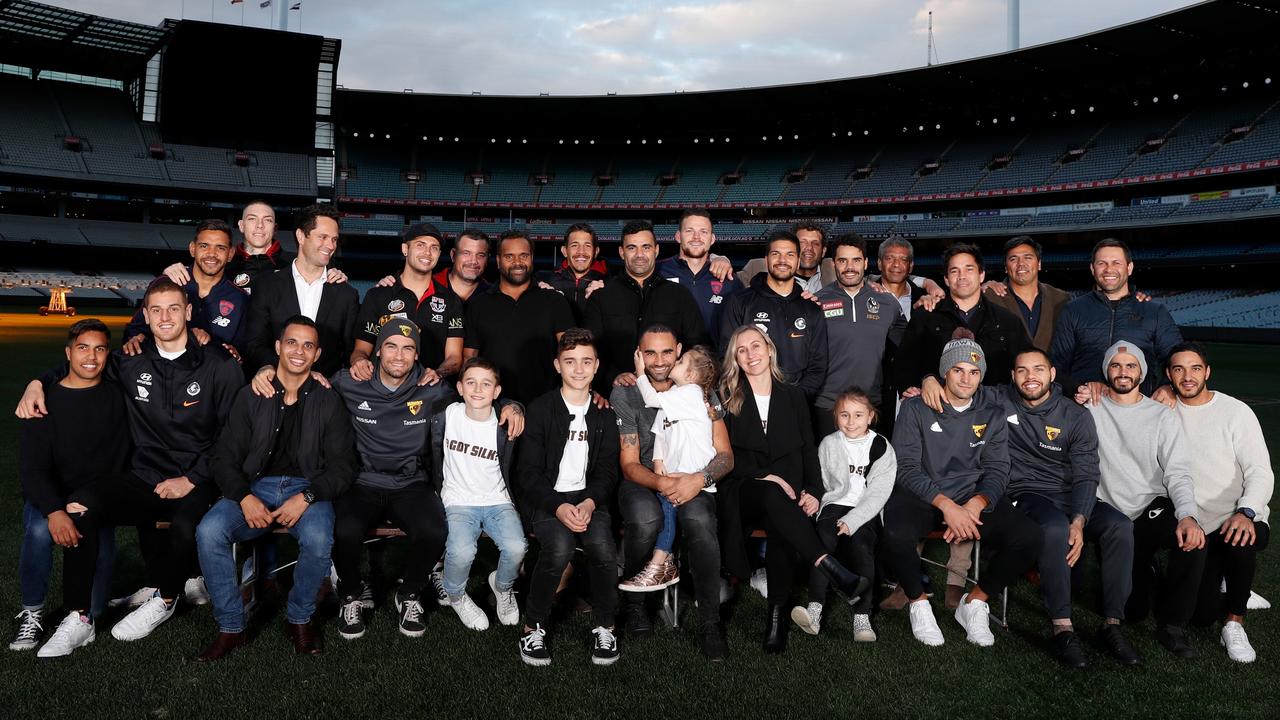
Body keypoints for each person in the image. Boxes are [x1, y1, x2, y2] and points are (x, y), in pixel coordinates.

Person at [16, 279, 243, 643]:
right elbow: (83, 365)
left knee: (186, 524)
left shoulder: (219, 365)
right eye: (156, 310)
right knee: (81, 505)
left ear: (187, 312)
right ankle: (79, 619)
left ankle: (166, 597)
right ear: (146, 316)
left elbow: (235, 433)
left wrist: (193, 478)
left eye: (173, 308)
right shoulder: (129, 361)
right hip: (145, 474)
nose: (164, 317)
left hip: (199, 477)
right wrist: (36, 383)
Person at [194, 317, 356, 660]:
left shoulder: (328, 400)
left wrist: (308, 497)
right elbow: (223, 458)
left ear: (317, 355)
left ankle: (299, 618)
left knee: (317, 539)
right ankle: (231, 627)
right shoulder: (253, 394)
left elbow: (344, 466)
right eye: (292, 343)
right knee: (209, 531)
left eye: (308, 346)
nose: (299, 351)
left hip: (309, 489)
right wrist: (245, 496)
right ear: (279, 347)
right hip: (255, 486)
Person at [717, 325, 872, 654]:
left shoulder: (794, 395)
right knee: (776, 496)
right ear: (736, 359)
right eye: (741, 350)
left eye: (756, 346)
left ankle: (776, 618)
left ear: (770, 349)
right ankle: (831, 567)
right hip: (743, 489)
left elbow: (807, 451)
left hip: (787, 494)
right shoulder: (728, 397)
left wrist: (813, 490)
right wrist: (767, 477)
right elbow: (723, 456)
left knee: (781, 522)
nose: (751, 354)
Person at [883, 338, 1043, 647]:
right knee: (895, 532)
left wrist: (976, 503)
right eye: (958, 370)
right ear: (945, 372)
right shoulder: (915, 408)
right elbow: (905, 467)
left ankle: (975, 603)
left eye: (973, 371)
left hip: (970, 498)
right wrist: (947, 506)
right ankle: (918, 602)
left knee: (1031, 537)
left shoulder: (993, 413)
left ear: (981, 375)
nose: (966, 378)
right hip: (924, 496)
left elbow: (998, 469)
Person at [1000, 348, 1140, 668]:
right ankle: (1062, 627)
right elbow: (959, 388)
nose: (1030, 376)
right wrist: (927, 382)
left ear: (1052, 375)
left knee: (1120, 526)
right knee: (1054, 527)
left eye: (1038, 369)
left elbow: (1088, 473)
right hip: (1026, 493)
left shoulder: (1075, 415)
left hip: (1069, 494)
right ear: (1012, 376)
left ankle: (1112, 625)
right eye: (1022, 370)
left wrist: (1080, 519)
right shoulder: (998, 400)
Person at [610, 325, 733, 660]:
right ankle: (637, 604)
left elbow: (725, 455)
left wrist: (699, 480)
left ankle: (710, 622)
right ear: (639, 354)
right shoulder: (626, 391)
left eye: (667, 353)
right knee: (645, 516)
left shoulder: (702, 392)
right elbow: (630, 463)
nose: (659, 361)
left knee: (700, 520)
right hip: (648, 479)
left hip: (693, 478)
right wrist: (661, 480)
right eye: (650, 353)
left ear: (679, 351)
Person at [329, 320, 454, 641]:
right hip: (362, 481)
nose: (399, 355)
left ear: (417, 355)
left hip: (410, 484)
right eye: (392, 346)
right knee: (344, 528)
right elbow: (311, 389)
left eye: (408, 348)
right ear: (378, 351)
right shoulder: (350, 381)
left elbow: (478, 398)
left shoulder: (433, 386)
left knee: (434, 529)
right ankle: (350, 594)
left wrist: (511, 405)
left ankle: (410, 592)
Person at [1086, 341, 1206, 658]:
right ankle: (1147, 571)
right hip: (1110, 515)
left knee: (1191, 539)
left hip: (1151, 506)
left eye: (1131, 366)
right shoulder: (1088, 409)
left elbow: (1178, 472)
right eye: (1115, 365)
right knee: (1133, 609)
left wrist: (1188, 515)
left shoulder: (1161, 415)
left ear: (1142, 373)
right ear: (1105, 370)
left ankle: (1174, 626)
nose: (1123, 372)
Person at [16, 320, 126, 657]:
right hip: (51, 495)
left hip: (95, 498)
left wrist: (90, 502)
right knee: (37, 532)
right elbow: (33, 470)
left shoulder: (117, 394)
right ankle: (32, 612)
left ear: (108, 354)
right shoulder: (44, 401)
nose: (91, 356)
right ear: (68, 353)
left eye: (99, 348)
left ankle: (85, 613)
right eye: (82, 347)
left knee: (94, 611)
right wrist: (55, 512)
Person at [516, 328, 621, 666]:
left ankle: (606, 626)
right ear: (557, 365)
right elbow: (528, 474)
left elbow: (607, 471)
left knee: (603, 547)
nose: (578, 369)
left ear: (596, 366)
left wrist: (590, 503)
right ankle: (533, 626)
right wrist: (559, 506)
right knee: (559, 547)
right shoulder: (542, 409)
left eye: (586, 362)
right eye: (570, 362)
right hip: (549, 497)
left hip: (589, 497)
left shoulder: (604, 413)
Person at [1169, 343, 1273, 663]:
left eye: (1195, 368)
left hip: (1236, 514)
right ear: (1168, 376)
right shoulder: (1162, 412)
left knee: (1242, 537)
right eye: (1179, 369)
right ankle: (1228, 581)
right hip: (1194, 522)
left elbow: (1260, 471)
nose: (1188, 376)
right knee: (1201, 616)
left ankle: (1235, 621)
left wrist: (1246, 511)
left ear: (1208, 372)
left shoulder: (1236, 411)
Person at [430, 357, 528, 631]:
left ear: (496, 392)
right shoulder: (446, 414)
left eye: (486, 384)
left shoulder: (505, 421)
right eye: (470, 382)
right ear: (459, 387)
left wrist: (515, 406)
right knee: (461, 551)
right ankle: (456, 595)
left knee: (517, 547)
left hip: (497, 500)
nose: (477, 389)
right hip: (457, 501)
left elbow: (516, 407)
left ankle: (502, 586)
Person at [791, 387, 895, 643]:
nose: (851, 422)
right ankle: (815, 608)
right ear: (836, 417)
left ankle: (862, 615)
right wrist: (813, 498)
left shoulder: (881, 447)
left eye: (858, 415)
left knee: (862, 547)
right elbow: (822, 482)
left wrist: (853, 521)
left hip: (864, 509)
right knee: (823, 541)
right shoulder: (829, 443)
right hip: (834, 505)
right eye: (844, 415)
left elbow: (878, 494)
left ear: (870, 416)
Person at [617, 345, 719, 592]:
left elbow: (650, 399)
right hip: (675, 473)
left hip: (694, 472)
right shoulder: (674, 398)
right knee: (666, 507)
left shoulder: (692, 393)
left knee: (668, 507)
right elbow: (661, 433)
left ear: (692, 376)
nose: (675, 363)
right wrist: (658, 461)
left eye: (681, 361)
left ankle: (660, 563)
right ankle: (661, 562)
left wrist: (640, 372)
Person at [583, 219, 708, 394]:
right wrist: (612, 377)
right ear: (621, 252)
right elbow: (589, 349)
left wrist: (676, 379)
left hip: (671, 395)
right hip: (617, 396)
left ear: (656, 250)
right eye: (632, 248)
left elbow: (698, 346)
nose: (639, 254)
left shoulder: (679, 295)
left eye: (646, 247)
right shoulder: (601, 297)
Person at [1052, 238, 1182, 402]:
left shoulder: (1154, 311)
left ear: (1129, 268)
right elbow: (1056, 366)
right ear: (1092, 268)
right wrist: (1080, 388)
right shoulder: (1073, 310)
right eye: (1102, 263)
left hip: (1137, 410)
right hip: (1086, 409)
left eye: (1116, 263)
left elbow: (1177, 357)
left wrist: (1168, 386)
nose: (1109, 269)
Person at [244, 204, 360, 378]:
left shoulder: (347, 295)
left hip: (325, 394)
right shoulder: (266, 285)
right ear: (300, 236)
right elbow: (254, 344)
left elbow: (350, 352)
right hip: (274, 390)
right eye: (323, 237)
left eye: (334, 239)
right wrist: (291, 372)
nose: (330, 245)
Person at [463, 230, 575, 405]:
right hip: (492, 407)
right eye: (509, 257)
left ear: (531, 258)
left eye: (524, 255)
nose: (517, 262)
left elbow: (571, 354)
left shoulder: (554, 301)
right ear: (499, 261)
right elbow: (469, 359)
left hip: (545, 407)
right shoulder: (478, 305)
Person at [718, 230, 828, 402]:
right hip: (750, 402)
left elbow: (818, 365)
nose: (782, 261)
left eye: (790, 254)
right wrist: (751, 397)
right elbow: (727, 354)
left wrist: (797, 398)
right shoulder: (740, 302)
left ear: (798, 261)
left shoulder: (811, 309)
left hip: (796, 404)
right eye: (776, 254)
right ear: (767, 259)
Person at [814, 232, 906, 436]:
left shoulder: (887, 302)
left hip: (871, 404)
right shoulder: (817, 302)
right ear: (833, 264)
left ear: (865, 263)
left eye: (856, 260)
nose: (849, 267)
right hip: (828, 404)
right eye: (842, 261)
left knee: (872, 467)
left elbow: (907, 348)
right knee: (829, 467)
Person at [351, 222, 465, 384]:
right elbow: (360, 350)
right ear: (405, 249)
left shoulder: (451, 300)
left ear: (439, 254)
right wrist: (359, 362)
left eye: (434, 248)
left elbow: (454, 358)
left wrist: (437, 374)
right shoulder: (378, 295)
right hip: (385, 394)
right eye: (420, 245)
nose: (427, 253)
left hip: (429, 394)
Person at [161, 201, 348, 295]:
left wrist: (333, 273)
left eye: (267, 220)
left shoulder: (295, 264)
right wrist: (174, 271)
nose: (259, 226)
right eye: (252, 219)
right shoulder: (221, 263)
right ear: (241, 226)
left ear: (274, 228)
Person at [128, 219, 250, 352]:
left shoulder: (240, 298)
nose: (212, 254)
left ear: (230, 254)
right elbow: (136, 330)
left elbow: (243, 349)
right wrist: (136, 338)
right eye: (204, 246)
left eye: (220, 248)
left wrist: (235, 353)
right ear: (192, 249)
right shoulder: (165, 283)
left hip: (213, 371)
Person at [656, 209, 745, 345]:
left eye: (703, 232)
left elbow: (741, 328)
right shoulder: (658, 271)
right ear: (678, 236)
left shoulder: (729, 280)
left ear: (712, 239)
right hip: (669, 362)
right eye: (689, 231)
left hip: (715, 363)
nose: (696, 237)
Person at [980, 236, 1072, 350]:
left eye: (1027, 258)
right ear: (1005, 267)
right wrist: (978, 288)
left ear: (1039, 264)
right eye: (1013, 259)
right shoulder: (988, 297)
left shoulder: (1061, 298)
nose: (1021, 264)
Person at [535, 222, 608, 321]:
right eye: (574, 245)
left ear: (596, 252)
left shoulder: (608, 284)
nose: (581, 252)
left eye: (587, 246)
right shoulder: (546, 281)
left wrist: (609, 296)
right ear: (565, 251)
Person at [739, 222, 833, 293]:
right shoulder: (758, 267)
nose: (809, 248)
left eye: (815, 243)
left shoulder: (834, 270)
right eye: (802, 242)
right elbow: (728, 283)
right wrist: (723, 260)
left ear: (823, 251)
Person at [435, 228, 492, 303]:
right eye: (466, 253)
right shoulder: (429, 285)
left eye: (480, 255)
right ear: (453, 255)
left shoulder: (494, 295)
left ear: (487, 259)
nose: (473, 261)